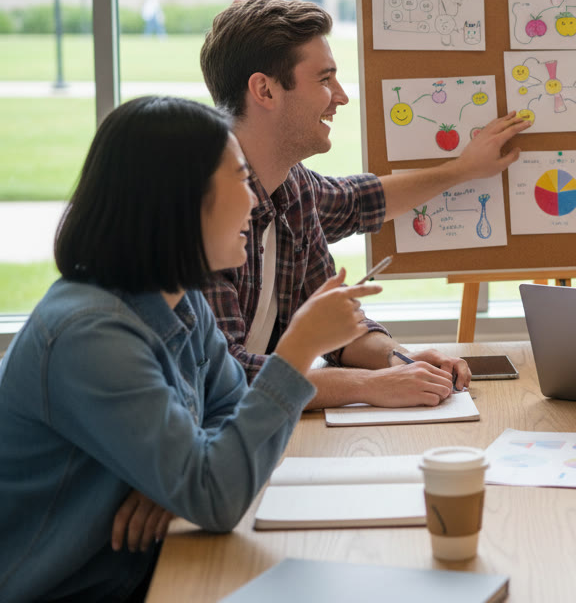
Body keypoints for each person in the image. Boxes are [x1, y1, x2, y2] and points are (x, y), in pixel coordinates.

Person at [0, 97, 377, 602]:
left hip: (141, 575)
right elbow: (217, 495)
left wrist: (177, 480)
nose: (252, 201)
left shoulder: (181, 299)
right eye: (241, 180)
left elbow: (228, 412)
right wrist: (298, 350)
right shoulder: (90, 336)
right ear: (179, 200)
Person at [200, 0, 529, 410]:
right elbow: (225, 378)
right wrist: (367, 386)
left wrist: (398, 359)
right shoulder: (200, 210)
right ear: (264, 89)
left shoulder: (293, 187)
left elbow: (360, 207)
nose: (341, 97)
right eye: (324, 80)